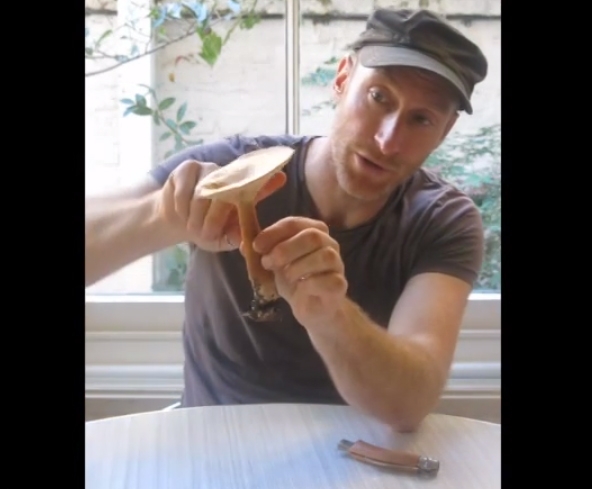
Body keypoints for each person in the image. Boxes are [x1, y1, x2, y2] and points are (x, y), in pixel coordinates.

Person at [86, 8, 488, 432]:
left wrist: (330, 314)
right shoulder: (234, 165)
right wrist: (164, 216)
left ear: (444, 132)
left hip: (349, 448)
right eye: (378, 97)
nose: (388, 141)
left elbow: (409, 402)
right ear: (343, 79)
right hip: (210, 437)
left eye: (421, 119)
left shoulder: (443, 220)